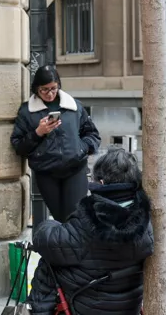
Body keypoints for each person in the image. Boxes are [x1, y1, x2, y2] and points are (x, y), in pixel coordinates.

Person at [3, 147, 152, 315]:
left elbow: (47, 241)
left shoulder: (89, 220)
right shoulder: (146, 218)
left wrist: (47, 225)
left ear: (102, 183)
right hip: (125, 314)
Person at [10, 65, 101, 222]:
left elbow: (93, 135)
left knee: (76, 217)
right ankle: (65, 246)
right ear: (36, 89)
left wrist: (81, 148)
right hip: (46, 172)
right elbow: (19, 146)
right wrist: (38, 132)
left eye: (53, 88)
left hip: (75, 168)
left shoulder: (74, 107)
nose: (50, 93)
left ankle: (77, 246)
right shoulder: (27, 112)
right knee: (60, 218)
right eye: (44, 90)